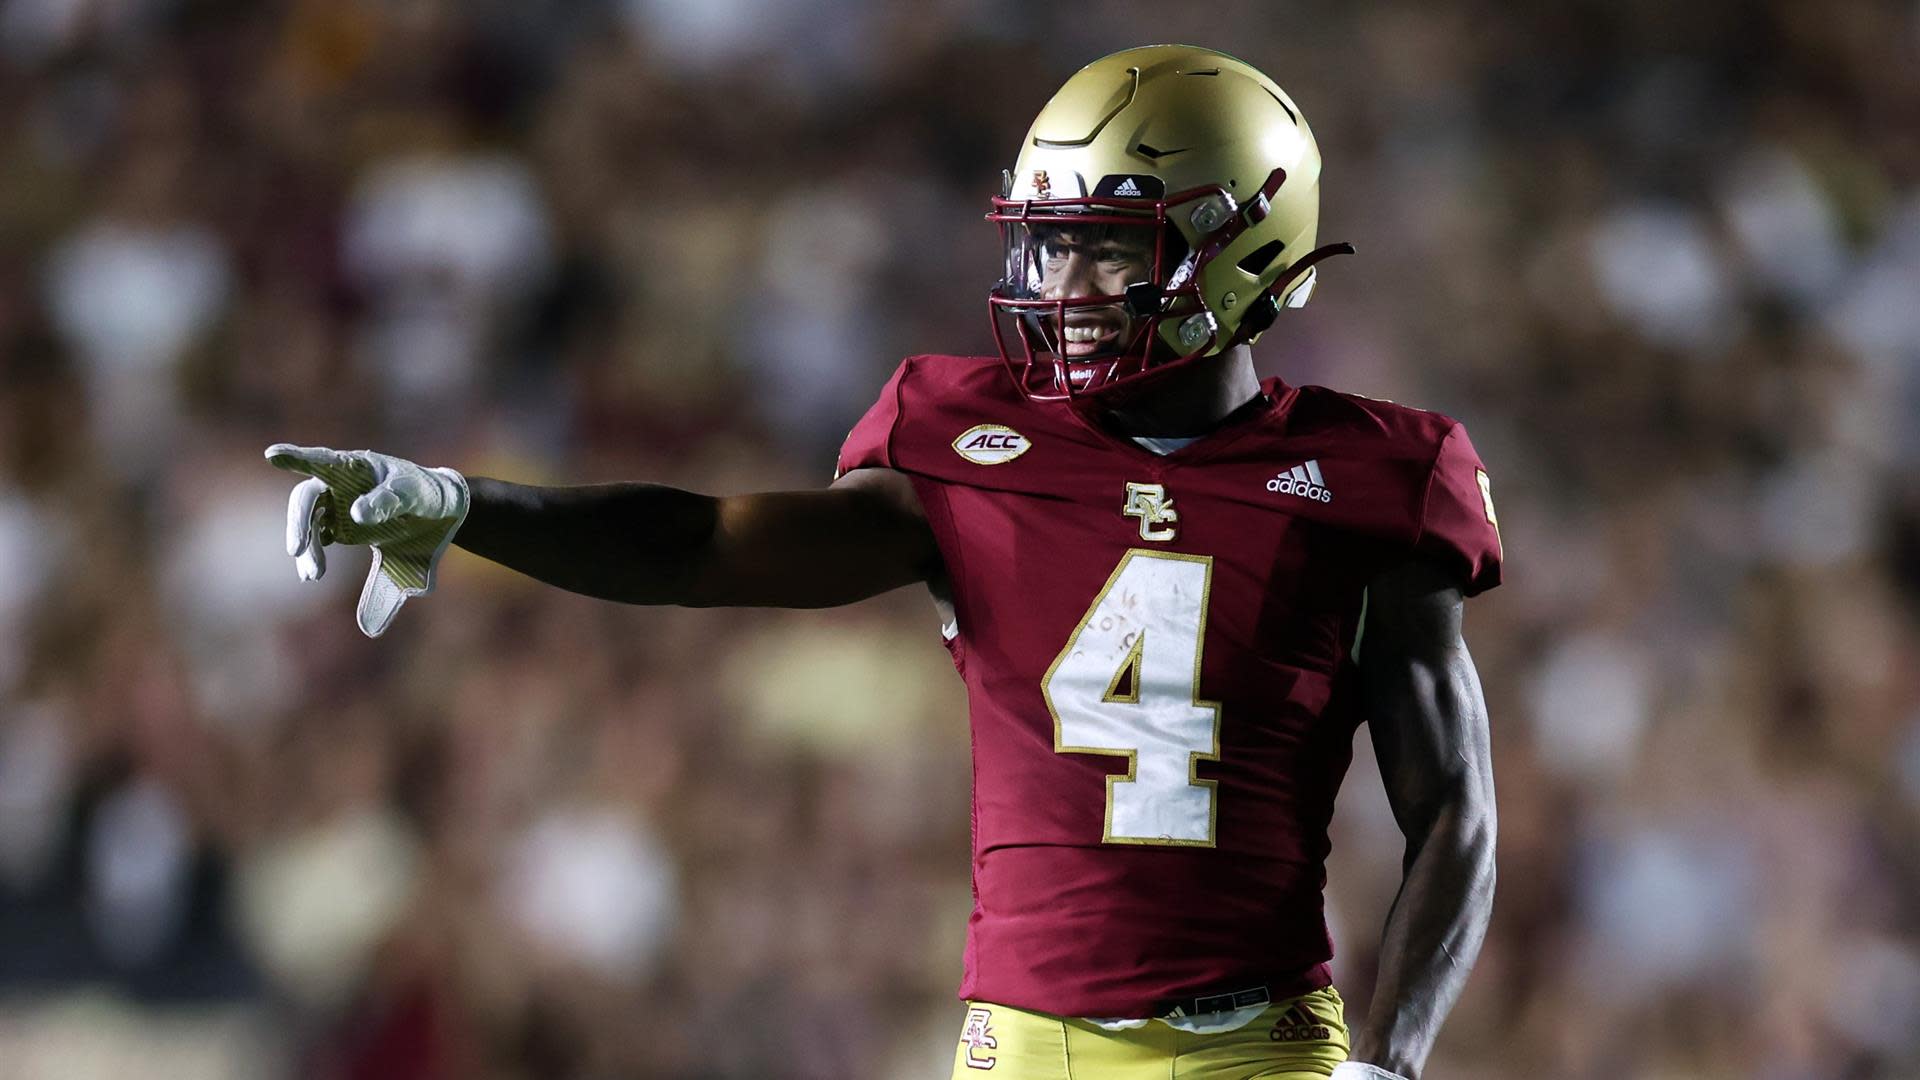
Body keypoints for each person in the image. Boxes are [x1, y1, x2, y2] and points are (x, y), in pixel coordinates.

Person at [269, 45, 1500, 1080]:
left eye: (1110, 247)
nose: (1061, 286)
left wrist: (1391, 1063)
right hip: (1021, 1049)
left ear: (1244, 246)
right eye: (1048, 242)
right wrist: (464, 505)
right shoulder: (966, 440)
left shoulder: (1373, 477)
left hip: (1264, 1051)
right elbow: (703, 543)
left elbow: (1452, 809)